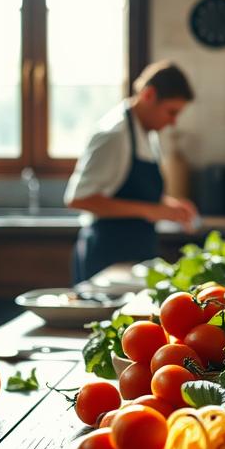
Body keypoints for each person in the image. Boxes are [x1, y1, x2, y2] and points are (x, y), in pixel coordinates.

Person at [66, 61, 199, 283]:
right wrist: (150, 210)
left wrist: (168, 206)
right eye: (171, 112)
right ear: (148, 95)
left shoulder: (148, 134)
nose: (173, 122)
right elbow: (78, 199)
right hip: (106, 260)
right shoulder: (114, 135)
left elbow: (128, 192)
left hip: (135, 257)